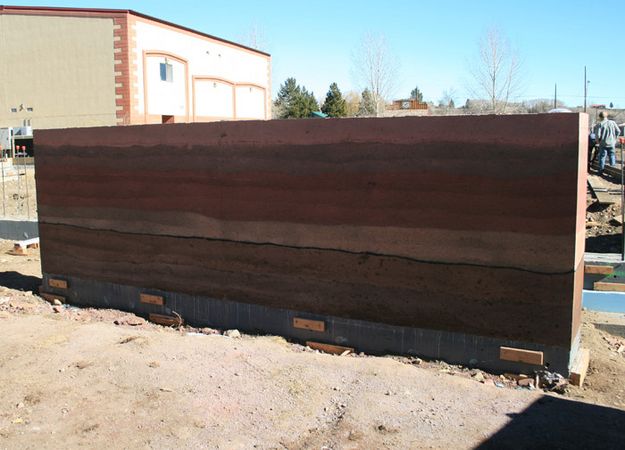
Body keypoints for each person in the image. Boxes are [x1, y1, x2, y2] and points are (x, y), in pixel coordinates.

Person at [594, 111, 621, 175]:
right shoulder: (613, 122)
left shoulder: (600, 124)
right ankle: (613, 171)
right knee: (612, 155)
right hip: (612, 143)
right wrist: (615, 138)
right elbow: (618, 131)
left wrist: (598, 141)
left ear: (600, 117)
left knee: (602, 157)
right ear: (606, 116)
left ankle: (601, 171)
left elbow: (598, 135)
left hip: (603, 143)